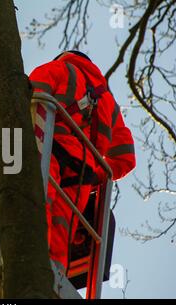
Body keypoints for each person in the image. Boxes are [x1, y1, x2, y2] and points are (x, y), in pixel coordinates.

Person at [29, 51, 136, 272]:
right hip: (81, 178)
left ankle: (28, 260)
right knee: (61, 231)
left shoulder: (57, 69)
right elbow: (126, 158)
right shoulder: (109, 103)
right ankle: (54, 275)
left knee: (37, 208)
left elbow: (30, 101)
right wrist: (94, 175)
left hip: (48, 153)